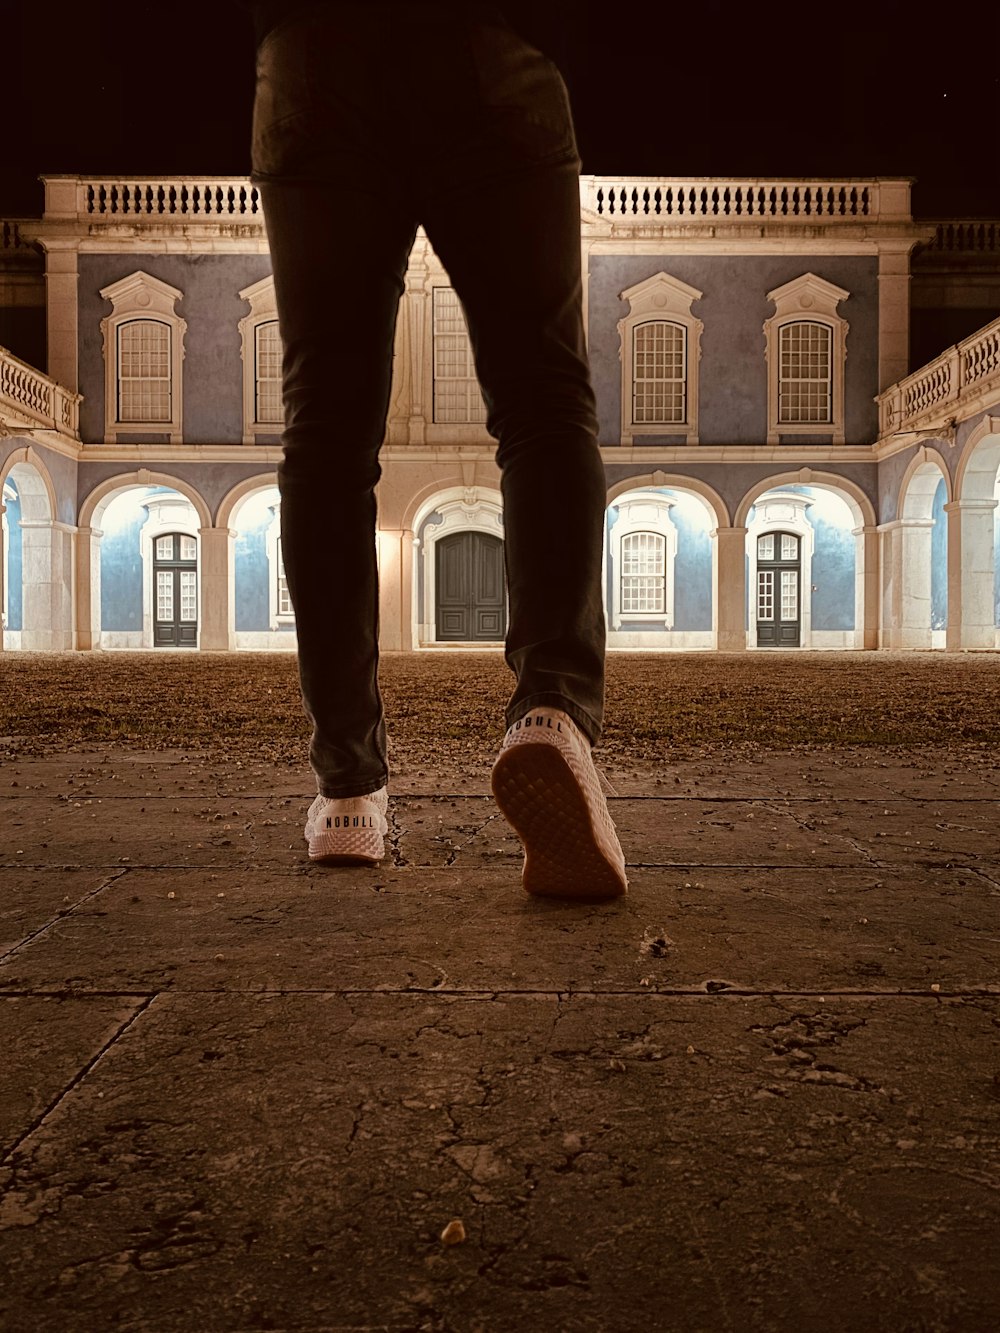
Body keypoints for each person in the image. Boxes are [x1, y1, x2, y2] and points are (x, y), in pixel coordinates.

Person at [245, 0, 627, 900]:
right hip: (490, 47)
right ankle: (553, 713)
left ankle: (347, 792)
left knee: (326, 433)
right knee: (542, 403)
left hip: (313, 60)